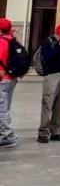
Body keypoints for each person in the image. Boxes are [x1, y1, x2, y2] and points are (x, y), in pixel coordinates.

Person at [37, 23, 60, 143]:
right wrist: (59, 46)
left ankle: (56, 131)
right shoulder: (49, 42)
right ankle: (43, 133)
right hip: (52, 76)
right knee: (48, 104)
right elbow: (48, 59)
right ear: (57, 35)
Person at [0, 18, 20, 147]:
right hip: (12, 78)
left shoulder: (2, 42)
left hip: (3, 79)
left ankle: (7, 135)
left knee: (2, 109)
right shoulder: (11, 39)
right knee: (5, 108)